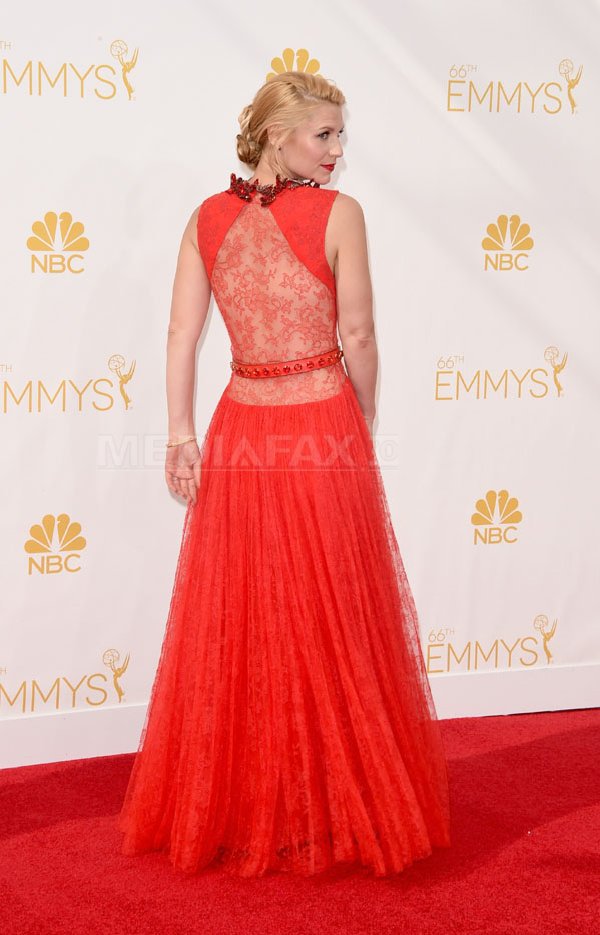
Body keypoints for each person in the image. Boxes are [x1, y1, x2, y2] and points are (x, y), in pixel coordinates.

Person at [118, 71, 451, 878]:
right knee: (332, 610)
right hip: (318, 422)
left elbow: (179, 333)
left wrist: (180, 432)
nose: (338, 151)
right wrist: (362, 416)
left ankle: (249, 801)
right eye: (324, 134)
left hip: (240, 426)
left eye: (341, 135)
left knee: (247, 614)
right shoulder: (340, 215)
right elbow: (359, 334)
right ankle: (332, 799)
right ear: (276, 134)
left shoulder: (206, 218)